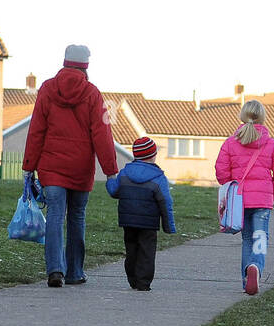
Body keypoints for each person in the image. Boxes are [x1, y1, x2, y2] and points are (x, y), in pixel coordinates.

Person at [22, 45, 119, 287]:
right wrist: (110, 171)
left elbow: (36, 130)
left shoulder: (47, 89)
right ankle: (75, 271)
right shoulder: (92, 93)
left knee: (55, 215)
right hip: (80, 167)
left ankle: (55, 270)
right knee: (77, 216)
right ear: (86, 65)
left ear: (65, 62)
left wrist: (29, 166)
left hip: (51, 167)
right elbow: (102, 134)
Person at [215, 100, 274, 295]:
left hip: (240, 202)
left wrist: (232, 190)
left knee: (247, 239)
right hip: (262, 201)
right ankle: (255, 266)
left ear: (242, 115)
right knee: (260, 238)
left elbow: (221, 171)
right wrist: (271, 194)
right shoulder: (271, 144)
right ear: (262, 117)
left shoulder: (230, 143)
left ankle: (247, 278)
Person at [106, 136, 176, 290]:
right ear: (153, 155)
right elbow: (165, 202)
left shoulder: (124, 174)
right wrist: (169, 226)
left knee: (131, 250)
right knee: (147, 252)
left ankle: (132, 279)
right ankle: (143, 282)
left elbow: (114, 191)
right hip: (149, 224)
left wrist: (110, 178)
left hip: (128, 221)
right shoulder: (158, 178)